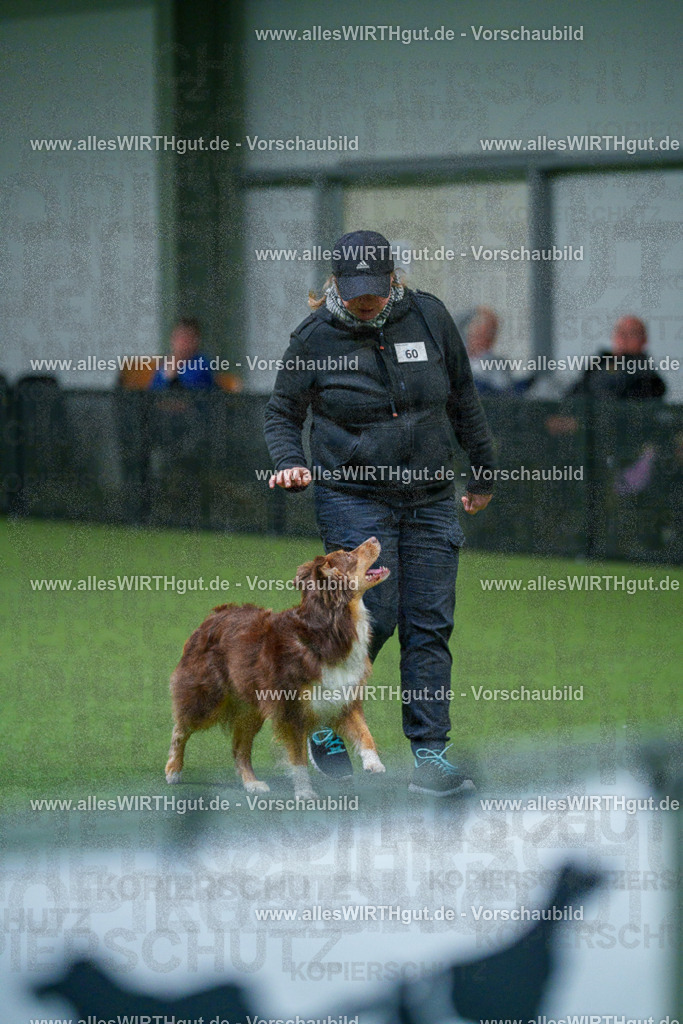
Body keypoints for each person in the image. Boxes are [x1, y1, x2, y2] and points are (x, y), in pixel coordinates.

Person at [264, 230, 495, 796]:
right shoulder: (314, 338)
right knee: (376, 618)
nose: (367, 300)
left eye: (376, 287)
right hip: (353, 496)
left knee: (430, 625)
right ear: (336, 284)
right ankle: (320, 722)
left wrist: (484, 468)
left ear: (394, 278)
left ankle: (431, 758)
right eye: (355, 289)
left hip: (432, 497)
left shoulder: (429, 317)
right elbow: (280, 414)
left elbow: (462, 396)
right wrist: (292, 462)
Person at [566, 315, 666, 400]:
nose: (624, 338)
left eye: (632, 333)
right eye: (620, 332)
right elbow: (575, 392)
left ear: (644, 340)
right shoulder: (598, 363)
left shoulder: (648, 378)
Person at [464, 306, 535, 396]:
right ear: (470, 332)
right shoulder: (453, 359)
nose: (485, 339)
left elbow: (502, 392)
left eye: (490, 334)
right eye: (480, 333)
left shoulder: (499, 364)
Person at [149, 318, 214, 390]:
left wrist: (172, 373)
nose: (181, 342)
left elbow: (187, 393)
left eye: (186, 338)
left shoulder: (202, 364)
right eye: (178, 337)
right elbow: (153, 391)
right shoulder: (165, 364)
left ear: (196, 342)